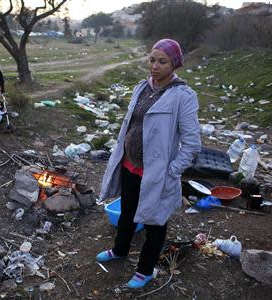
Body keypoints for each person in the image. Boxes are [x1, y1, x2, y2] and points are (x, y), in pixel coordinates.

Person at [97, 38, 201, 289]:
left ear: (174, 64)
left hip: (157, 172)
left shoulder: (182, 96)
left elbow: (192, 143)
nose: (155, 66)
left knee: (155, 221)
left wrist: (173, 171)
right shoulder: (142, 87)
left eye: (162, 61)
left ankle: (145, 271)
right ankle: (120, 250)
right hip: (130, 164)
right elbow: (131, 124)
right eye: (152, 60)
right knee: (127, 212)